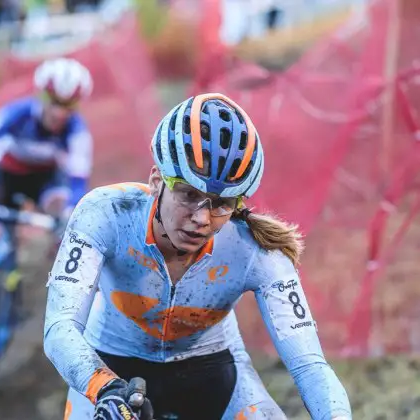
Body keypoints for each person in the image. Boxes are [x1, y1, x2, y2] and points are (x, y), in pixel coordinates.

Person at [43, 93, 353, 419]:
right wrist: (103, 387)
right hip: (112, 365)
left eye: (221, 203)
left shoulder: (257, 251)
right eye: (188, 194)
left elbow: (309, 366)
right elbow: (60, 327)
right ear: (156, 181)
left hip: (211, 370)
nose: (202, 219)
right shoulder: (106, 213)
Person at [0, 57, 95, 382]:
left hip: (44, 186)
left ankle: (22, 284)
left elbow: (77, 182)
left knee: (60, 205)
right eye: (55, 103)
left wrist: (66, 219)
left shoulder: (76, 132)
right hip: (4, 181)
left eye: (69, 105)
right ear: (41, 96)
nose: (60, 112)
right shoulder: (14, 116)